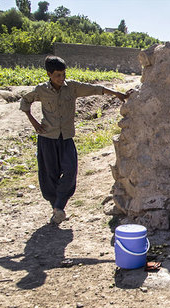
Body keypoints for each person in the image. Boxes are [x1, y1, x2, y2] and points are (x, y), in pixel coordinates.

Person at [20, 55, 128, 225]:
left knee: (70, 170)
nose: (61, 79)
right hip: (47, 138)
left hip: (66, 138)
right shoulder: (41, 90)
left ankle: (59, 205)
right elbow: (25, 101)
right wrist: (33, 121)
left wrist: (117, 94)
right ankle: (56, 207)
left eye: (63, 74)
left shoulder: (72, 88)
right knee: (49, 174)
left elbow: (95, 88)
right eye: (57, 75)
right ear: (49, 74)